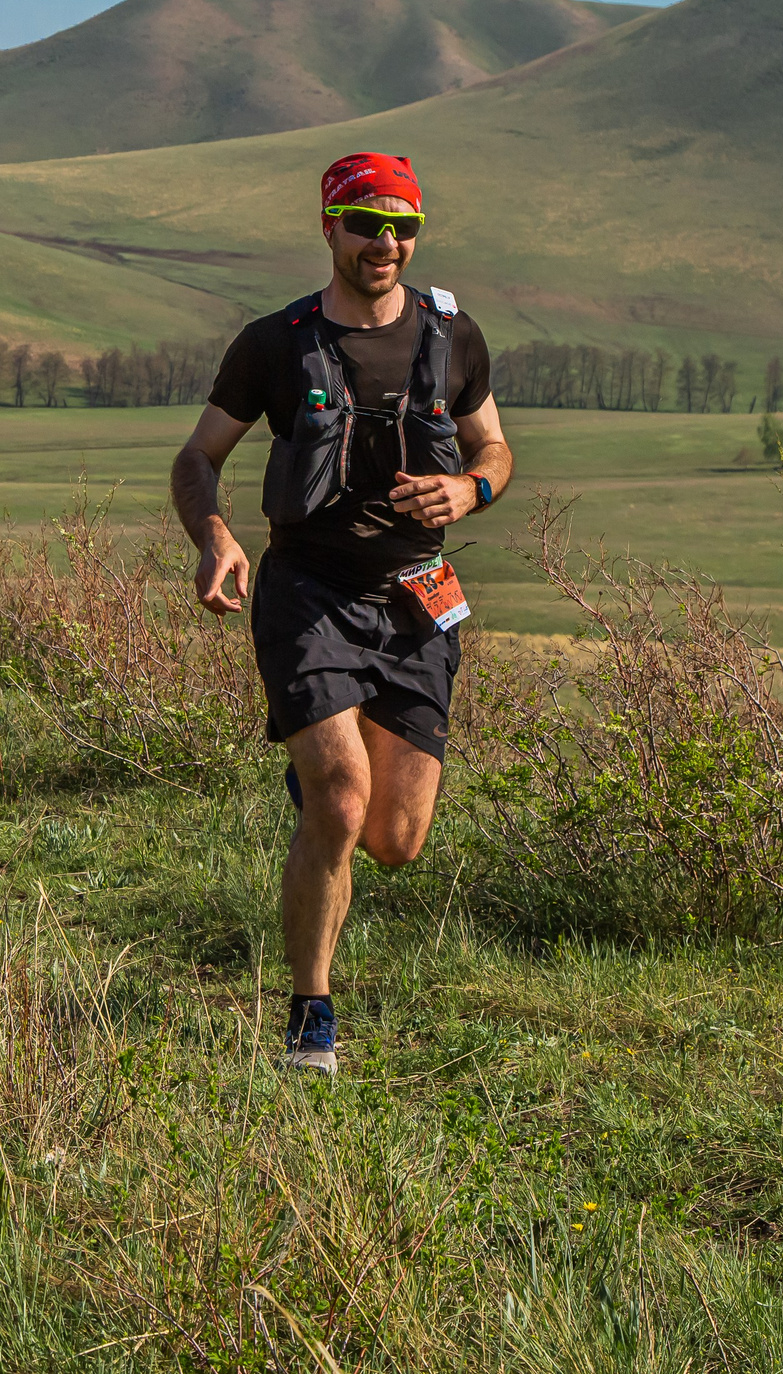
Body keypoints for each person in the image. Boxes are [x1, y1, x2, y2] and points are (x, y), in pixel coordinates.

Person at [171, 153, 511, 1075]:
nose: (386, 244)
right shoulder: (275, 342)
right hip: (308, 594)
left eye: (403, 227)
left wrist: (470, 490)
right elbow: (197, 458)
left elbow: (493, 449)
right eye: (366, 224)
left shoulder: (453, 334)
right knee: (344, 797)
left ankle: (324, 789)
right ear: (328, 227)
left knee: (394, 841)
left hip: (418, 601)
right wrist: (216, 537)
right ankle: (310, 1017)